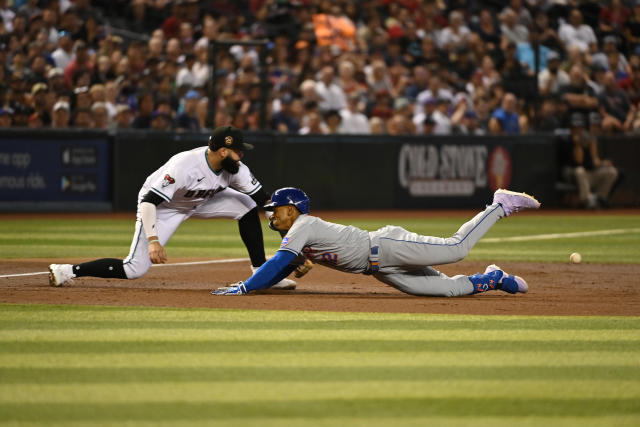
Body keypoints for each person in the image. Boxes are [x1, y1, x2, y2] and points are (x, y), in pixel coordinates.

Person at [49, 126, 296, 290]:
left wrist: (291, 241)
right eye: (237, 151)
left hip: (200, 200)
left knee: (247, 206)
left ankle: (260, 272)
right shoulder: (185, 165)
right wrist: (154, 239)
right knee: (133, 269)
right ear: (223, 151)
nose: (241, 156)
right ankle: (67, 271)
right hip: (164, 207)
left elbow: (264, 201)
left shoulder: (236, 170)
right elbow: (149, 201)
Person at [212, 187, 540, 297]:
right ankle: (494, 278)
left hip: (386, 246)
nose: (270, 215)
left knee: (457, 248)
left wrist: (246, 287)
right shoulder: (297, 234)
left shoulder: (303, 225)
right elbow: (294, 264)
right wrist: (292, 273)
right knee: (448, 290)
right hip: (380, 269)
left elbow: (279, 263)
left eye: (274, 211)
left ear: (291, 209)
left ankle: (500, 205)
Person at [568, 113, 619, 209]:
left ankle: (599, 199)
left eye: (580, 127)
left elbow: (595, 161)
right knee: (580, 170)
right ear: (571, 128)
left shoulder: (590, 139)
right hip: (576, 177)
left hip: (591, 174)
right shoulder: (567, 140)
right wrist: (577, 143)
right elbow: (579, 161)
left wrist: (603, 163)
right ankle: (587, 200)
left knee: (611, 171)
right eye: (575, 127)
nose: (578, 130)